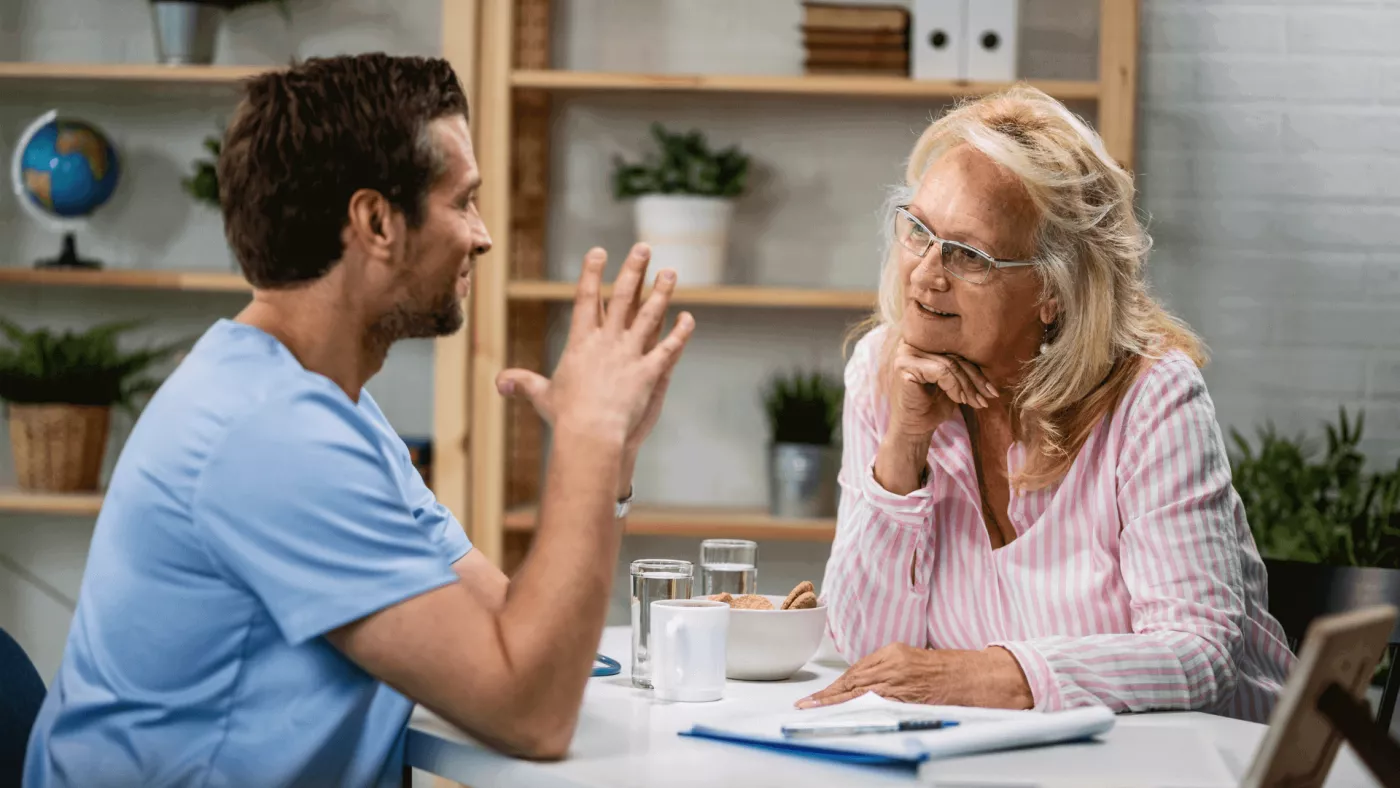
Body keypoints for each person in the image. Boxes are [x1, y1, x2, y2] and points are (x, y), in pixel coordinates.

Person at [23, 53, 694, 787]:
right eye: (462, 200)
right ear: (377, 221)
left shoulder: (328, 412)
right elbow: (530, 710)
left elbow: (515, 625)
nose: (483, 236)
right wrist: (583, 439)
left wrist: (608, 462)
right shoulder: (269, 433)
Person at [801, 85, 1295, 723]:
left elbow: (1198, 654)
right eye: (918, 231)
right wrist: (903, 448)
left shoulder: (1152, 395)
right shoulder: (882, 370)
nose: (926, 272)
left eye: (968, 254)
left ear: (1054, 292)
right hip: (1017, 762)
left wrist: (988, 673)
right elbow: (865, 650)